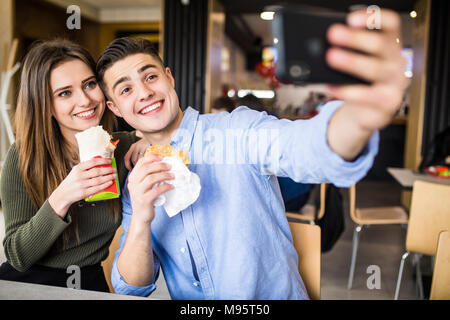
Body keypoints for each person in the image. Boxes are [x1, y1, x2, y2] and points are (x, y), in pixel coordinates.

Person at [97, 8, 407, 299]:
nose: (144, 92)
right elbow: (131, 289)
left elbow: (308, 148)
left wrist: (358, 116)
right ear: (115, 108)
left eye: (150, 77)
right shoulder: (136, 177)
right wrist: (140, 216)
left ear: (169, 78)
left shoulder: (237, 130)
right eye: (125, 90)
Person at [0, 39, 148, 292]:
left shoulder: (123, 147)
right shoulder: (24, 155)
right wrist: (64, 195)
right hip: (25, 284)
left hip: (88, 282)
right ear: (45, 104)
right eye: (65, 93)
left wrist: (153, 139)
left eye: (90, 84)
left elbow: (183, 136)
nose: (85, 100)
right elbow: (18, 256)